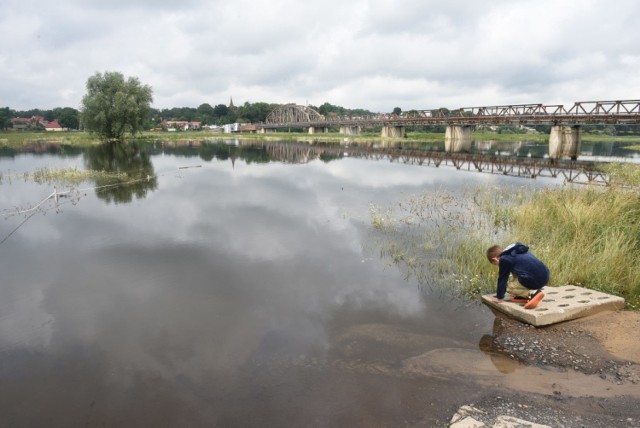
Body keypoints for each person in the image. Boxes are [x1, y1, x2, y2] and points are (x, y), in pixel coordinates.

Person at [486, 242, 550, 309]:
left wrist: (499, 297)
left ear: (495, 259)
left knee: (510, 288)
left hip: (536, 280)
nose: (498, 266)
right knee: (516, 276)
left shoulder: (504, 259)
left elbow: (502, 279)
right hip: (545, 276)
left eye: (496, 264)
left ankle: (533, 293)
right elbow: (517, 273)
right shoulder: (516, 250)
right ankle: (523, 295)